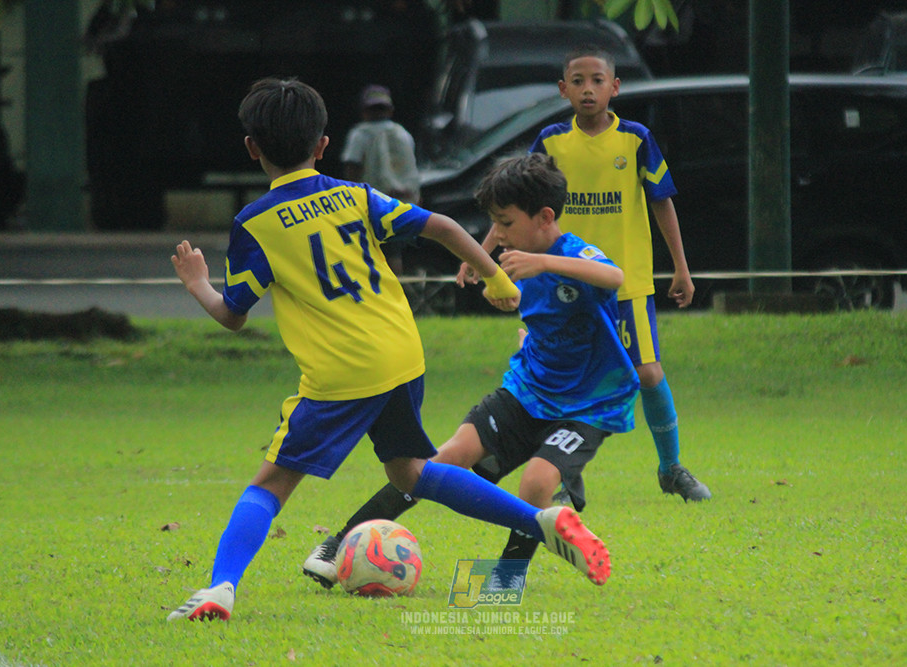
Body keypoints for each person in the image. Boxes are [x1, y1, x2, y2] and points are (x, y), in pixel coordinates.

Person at [166, 78, 610, 622]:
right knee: (410, 472)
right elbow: (443, 227)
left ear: (252, 148)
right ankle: (538, 520)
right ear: (324, 145)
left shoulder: (253, 224)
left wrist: (196, 284)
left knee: (272, 483)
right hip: (402, 356)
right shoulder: (353, 197)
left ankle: (220, 588)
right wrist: (494, 277)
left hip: (341, 373)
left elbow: (233, 315)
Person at [302, 152, 638, 588]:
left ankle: (507, 576)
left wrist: (544, 263)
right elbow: (517, 281)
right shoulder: (513, 256)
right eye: (493, 223)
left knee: (537, 481)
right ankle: (340, 542)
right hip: (528, 389)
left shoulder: (569, 254)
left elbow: (613, 276)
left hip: (589, 403)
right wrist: (479, 257)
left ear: (545, 217)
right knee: (440, 461)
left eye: (505, 222)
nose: (498, 233)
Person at [463, 45, 711, 502]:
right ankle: (562, 475)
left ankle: (671, 467)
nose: (588, 89)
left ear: (615, 87)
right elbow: (514, 201)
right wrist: (479, 256)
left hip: (624, 281)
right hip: (560, 285)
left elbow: (662, 201)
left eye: (597, 80)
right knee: (563, 373)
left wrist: (681, 267)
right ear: (563, 90)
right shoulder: (552, 142)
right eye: (577, 81)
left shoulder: (636, 139)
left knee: (649, 374)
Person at [340, 84, 420, 275]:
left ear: (363, 111)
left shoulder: (360, 134)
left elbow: (352, 167)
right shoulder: (403, 133)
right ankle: (399, 292)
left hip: (372, 202)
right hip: (404, 201)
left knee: (371, 251)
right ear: (390, 110)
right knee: (396, 251)